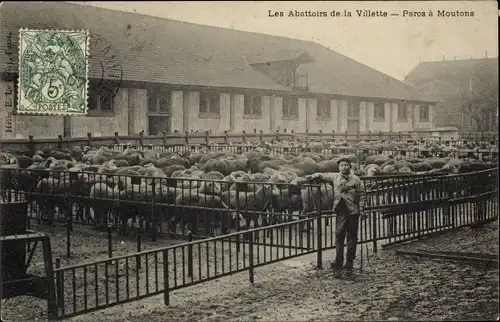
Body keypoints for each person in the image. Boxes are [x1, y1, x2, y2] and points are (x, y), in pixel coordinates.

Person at [330, 157, 366, 278]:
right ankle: (338, 261)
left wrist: (362, 210)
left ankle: (349, 262)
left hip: (352, 211)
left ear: (350, 166)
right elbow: (322, 176)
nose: (344, 167)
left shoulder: (356, 179)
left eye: (346, 165)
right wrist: (312, 177)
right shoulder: (335, 177)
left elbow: (361, 195)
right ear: (338, 167)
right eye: (342, 165)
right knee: (339, 235)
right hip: (340, 211)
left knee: (351, 237)